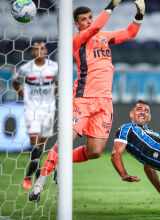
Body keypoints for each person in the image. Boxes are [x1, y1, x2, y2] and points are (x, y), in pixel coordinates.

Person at [29, 0, 145, 202]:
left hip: (104, 102)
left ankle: (61, 163)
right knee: (66, 140)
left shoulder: (104, 38)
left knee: (95, 152)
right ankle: (40, 183)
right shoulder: (78, 40)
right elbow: (98, 25)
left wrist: (139, 14)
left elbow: (130, 33)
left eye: (90, 17)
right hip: (82, 100)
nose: (89, 21)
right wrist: (112, 5)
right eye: (84, 19)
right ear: (77, 24)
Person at [13, 42, 58, 190]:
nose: (39, 51)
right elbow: (15, 83)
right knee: (34, 140)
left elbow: (60, 82)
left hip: (49, 109)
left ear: (46, 50)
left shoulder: (54, 67)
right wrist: (25, 97)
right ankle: (28, 177)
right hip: (32, 108)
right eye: (35, 49)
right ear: (31, 52)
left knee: (41, 144)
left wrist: (52, 94)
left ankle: (36, 173)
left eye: (42, 48)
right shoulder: (25, 68)